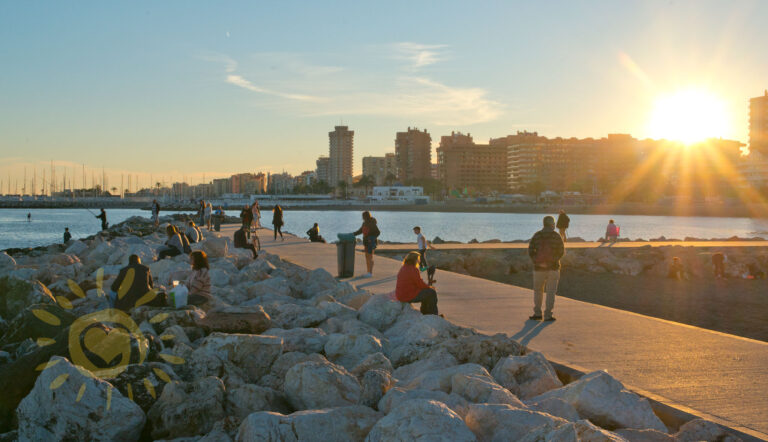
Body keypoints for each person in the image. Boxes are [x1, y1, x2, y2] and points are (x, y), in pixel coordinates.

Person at [528, 215, 565, 321]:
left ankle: (537, 313)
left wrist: (537, 261)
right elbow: (561, 251)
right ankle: (548, 315)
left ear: (543, 223)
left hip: (538, 268)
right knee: (551, 292)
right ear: (552, 224)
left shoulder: (537, 235)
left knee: (537, 291)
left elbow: (530, 250)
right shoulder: (556, 236)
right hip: (553, 268)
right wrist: (552, 262)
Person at [354, 211, 380, 277]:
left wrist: (371, 238)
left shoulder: (372, 223)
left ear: (366, 216)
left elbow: (378, 232)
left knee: (369, 257)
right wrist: (352, 234)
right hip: (366, 242)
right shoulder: (364, 223)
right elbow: (360, 231)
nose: (362, 218)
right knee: (367, 257)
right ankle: (368, 272)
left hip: (371, 242)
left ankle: (370, 273)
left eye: (363, 216)